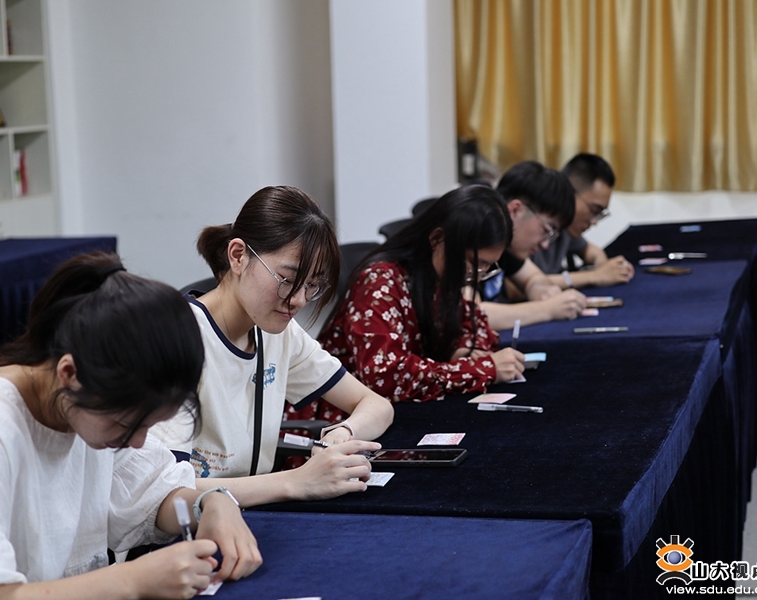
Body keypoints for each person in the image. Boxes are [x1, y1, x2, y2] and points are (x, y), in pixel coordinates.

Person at [0, 252, 261, 600]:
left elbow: (149, 492)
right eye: (129, 425)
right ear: (69, 373)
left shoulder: (82, 405)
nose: (139, 441)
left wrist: (211, 503)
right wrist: (132, 579)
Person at [149, 186, 394, 506]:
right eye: (287, 280)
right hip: (198, 525)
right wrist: (296, 482)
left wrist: (343, 432)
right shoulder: (178, 339)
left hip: (257, 511)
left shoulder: (278, 332)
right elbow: (167, 493)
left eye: (312, 285)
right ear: (238, 256)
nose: (299, 300)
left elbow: (377, 406)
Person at [287, 184, 524, 423]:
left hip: (399, 413)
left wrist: (462, 350)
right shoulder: (380, 282)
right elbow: (386, 377)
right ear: (437, 238)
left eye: (486, 268)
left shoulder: (438, 276)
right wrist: (480, 369)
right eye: (474, 264)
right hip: (345, 421)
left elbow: (476, 324)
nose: (476, 276)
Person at [479, 160, 589, 330]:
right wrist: (548, 309)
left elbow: (533, 278)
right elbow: (469, 316)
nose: (545, 245)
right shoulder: (470, 235)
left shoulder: (506, 246)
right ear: (515, 210)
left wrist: (540, 290)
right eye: (546, 229)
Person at [531, 153, 634, 288]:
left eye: (600, 214)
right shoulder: (530, 224)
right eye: (594, 210)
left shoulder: (565, 227)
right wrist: (595, 276)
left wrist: (605, 268)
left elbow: (592, 252)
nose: (595, 221)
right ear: (568, 192)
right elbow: (518, 286)